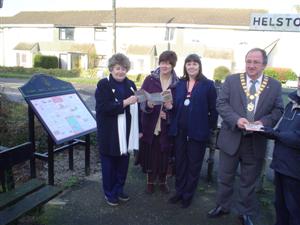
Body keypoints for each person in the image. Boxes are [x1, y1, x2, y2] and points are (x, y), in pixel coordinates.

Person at [207, 48, 284, 225]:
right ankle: (222, 206)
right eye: (248, 61)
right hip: (232, 137)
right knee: (225, 177)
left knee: (249, 181)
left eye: (256, 62)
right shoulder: (232, 80)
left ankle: (245, 212)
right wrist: (236, 119)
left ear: (264, 65)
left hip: (255, 141)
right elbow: (221, 103)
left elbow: (278, 109)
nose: (251, 65)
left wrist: (263, 122)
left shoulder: (274, 85)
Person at [167, 54, 218, 208]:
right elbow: (176, 106)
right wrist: (170, 108)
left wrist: (207, 128)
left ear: (199, 66)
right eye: (188, 63)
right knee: (180, 163)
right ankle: (179, 192)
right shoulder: (180, 84)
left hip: (198, 133)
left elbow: (213, 111)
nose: (191, 66)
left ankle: (188, 195)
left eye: (195, 64)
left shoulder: (208, 85)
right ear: (185, 66)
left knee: (194, 165)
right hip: (180, 132)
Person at [95, 53, 139, 206]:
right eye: (117, 68)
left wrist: (138, 129)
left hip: (126, 132)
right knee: (109, 165)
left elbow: (137, 108)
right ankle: (110, 193)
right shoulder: (103, 85)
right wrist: (124, 103)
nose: (121, 71)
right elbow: (103, 108)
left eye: (124, 68)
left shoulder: (131, 84)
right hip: (109, 133)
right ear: (111, 69)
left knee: (123, 163)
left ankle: (119, 189)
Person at [261, 75, 300, 225]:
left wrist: (275, 134)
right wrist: (264, 129)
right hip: (281, 164)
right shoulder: (291, 104)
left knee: (294, 209)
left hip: (295, 170)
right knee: (280, 205)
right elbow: (280, 129)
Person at [138, 50, 178, 194]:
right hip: (150, 125)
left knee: (164, 155)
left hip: (166, 127)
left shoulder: (177, 83)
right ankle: (150, 181)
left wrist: (168, 113)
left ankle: (162, 181)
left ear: (173, 65)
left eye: (168, 63)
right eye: (162, 62)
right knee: (150, 155)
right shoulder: (150, 79)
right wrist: (148, 106)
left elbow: (178, 109)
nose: (165, 66)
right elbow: (141, 100)